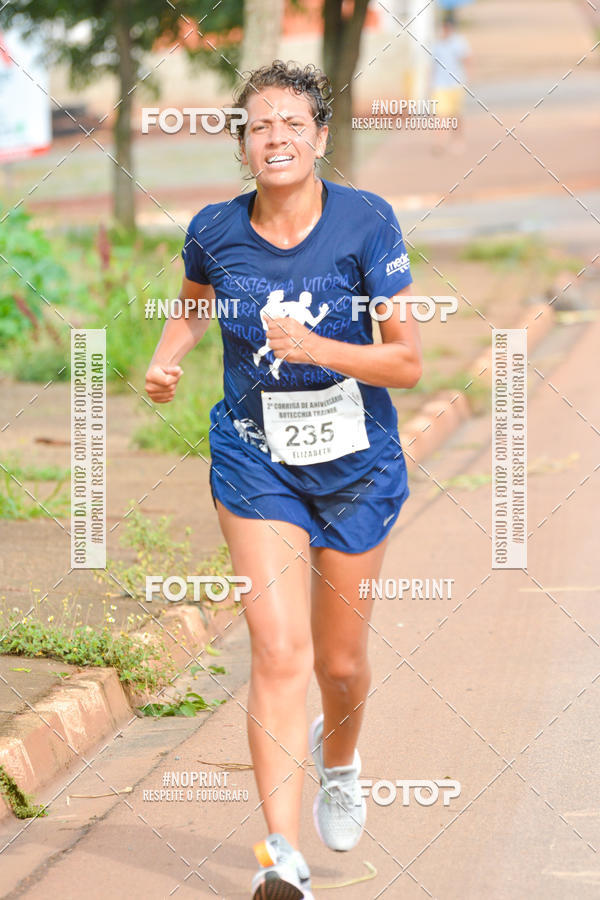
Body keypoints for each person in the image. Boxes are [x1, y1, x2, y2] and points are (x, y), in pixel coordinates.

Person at [145, 59, 422, 900]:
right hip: (254, 457)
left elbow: (406, 361)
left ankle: (339, 763)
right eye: (259, 125)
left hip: (355, 468)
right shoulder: (215, 229)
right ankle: (281, 855)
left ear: (319, 137)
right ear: (242, 144)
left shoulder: (368, 224)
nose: (276, 138)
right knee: (277, 648)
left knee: (339, 664)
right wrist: (166, 359)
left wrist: (319, 350)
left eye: (292, 123)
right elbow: (195, 304)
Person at [431, 11, 472, 154]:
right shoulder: (437, 44)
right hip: (440, 85)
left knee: (456, 115)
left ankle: (458, 140)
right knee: (440, 115)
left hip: (455, 84)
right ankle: (440, 142)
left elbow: (466, 60)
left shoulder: (459, 42)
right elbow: (433, 65)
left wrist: (467, 79)